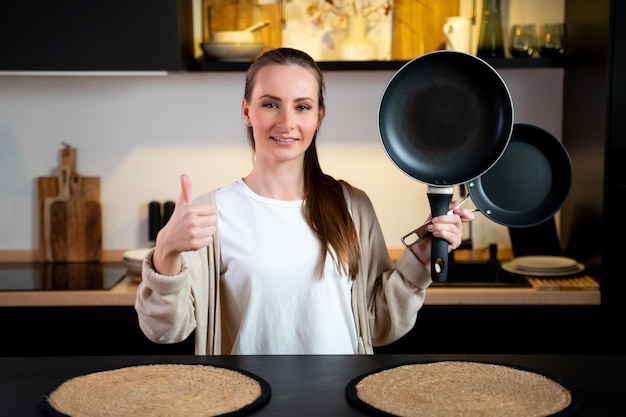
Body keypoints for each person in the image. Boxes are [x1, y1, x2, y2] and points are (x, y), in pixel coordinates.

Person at [135, 47, 474, 355]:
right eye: (270, 104)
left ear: (319, 116)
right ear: (247, 111)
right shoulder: (211, 215)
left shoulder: (352, 207)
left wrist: (420, 260)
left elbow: (379, 325)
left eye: (302, 107)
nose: (287, 122)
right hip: (248, 401)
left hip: (339, 400)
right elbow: (164, 330)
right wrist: (165, 250)